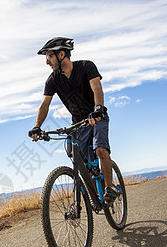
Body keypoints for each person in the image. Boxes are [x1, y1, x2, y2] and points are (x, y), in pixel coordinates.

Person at [28, 37, 117, 202]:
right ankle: (95, 196)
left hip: (97, 116)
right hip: (78, 123)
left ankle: (109, 188)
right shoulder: (53, 79)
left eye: (49, 57)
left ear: (62, 54)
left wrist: (98, 109)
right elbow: (44, 105)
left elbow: (96, 87)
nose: (47, 62)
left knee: (100, 150)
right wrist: (37, 126)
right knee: (77, 157)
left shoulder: (86, 67)